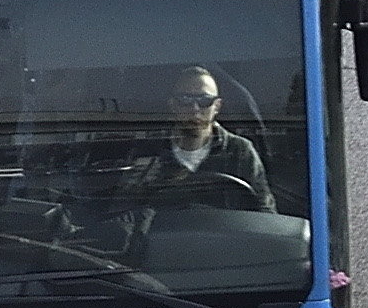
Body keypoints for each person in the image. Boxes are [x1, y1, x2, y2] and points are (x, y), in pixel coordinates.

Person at [101, 66, 270, 215]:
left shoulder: (240, 152)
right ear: (172, 105)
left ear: (217, 106)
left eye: (204, 101)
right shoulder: (147, 152)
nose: (195, 109)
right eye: (185, 100)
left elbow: (265, 215)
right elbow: (122, 215)